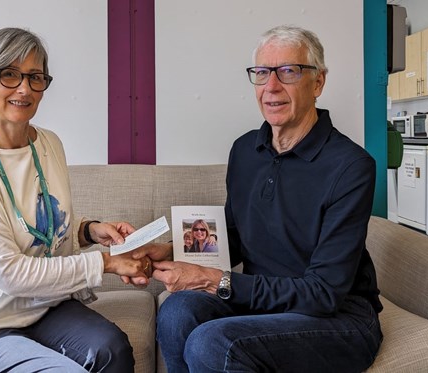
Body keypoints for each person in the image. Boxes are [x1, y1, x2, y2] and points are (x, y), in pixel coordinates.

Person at [129, 25, 383, 372]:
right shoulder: (246, 149)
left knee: (211, 342)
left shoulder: (351, 166)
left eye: (288, 72)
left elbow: (323, 294)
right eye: (262, 73)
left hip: (336, 317)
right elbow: (233, 236)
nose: (271, 87)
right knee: (177, 312)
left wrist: (211, 280)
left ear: (318, 82)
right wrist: (172, 250)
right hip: (261, 305)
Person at [0, 27, 152, 373]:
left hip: (45, 305)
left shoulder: (49, 144)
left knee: (112, 350)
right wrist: (105, 263)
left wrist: (89, 231)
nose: (24, 88)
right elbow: (12, 274)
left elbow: (37, 224)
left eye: (35, 77)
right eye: (9, 74)